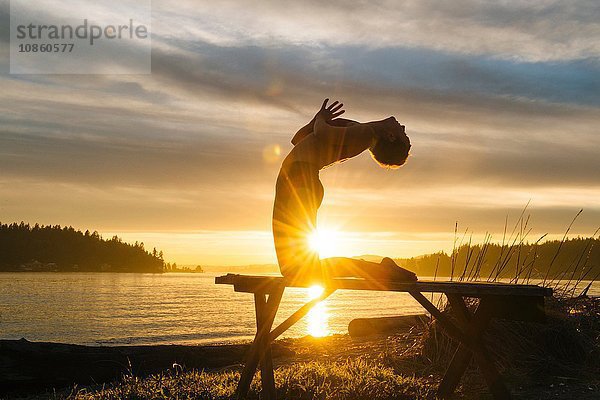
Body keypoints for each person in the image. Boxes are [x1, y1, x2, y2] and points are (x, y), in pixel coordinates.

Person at [272, 99, 418, 285]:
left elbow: (322, 133)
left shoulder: (367, 133)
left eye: (403, 133)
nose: (403, 126)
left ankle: (383, 271)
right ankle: (382, 270)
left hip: (299, 178)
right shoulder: (363, 133)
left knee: (297, 269)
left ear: (390, 136)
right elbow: (298, 140)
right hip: (299, 178)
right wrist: (316, 120)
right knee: (299, 268)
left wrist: (321, 119)